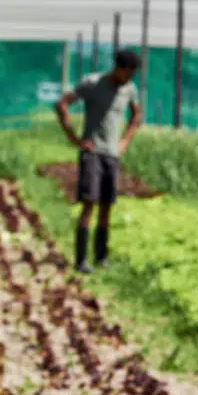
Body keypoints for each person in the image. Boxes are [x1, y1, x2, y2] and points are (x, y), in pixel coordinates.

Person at [53, 49, 144, 273]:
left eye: (133, 74)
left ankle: (101, 257)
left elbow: (136, 116)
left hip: (112, 155)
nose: (129, 78)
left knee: (107, 206)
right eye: (128, 73)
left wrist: (124, 141)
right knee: (88, 204)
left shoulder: (129, 89)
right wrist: (74, 138)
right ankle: (81, 260)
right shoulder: (92, 83)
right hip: (92, 153)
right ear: (118, 68)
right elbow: (62, 104)